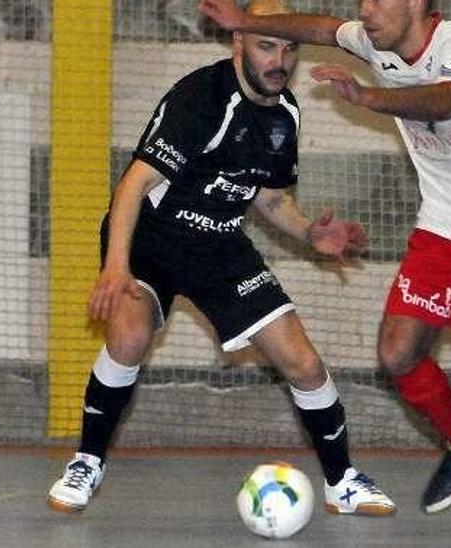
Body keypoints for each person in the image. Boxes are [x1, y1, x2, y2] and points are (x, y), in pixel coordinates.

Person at [199, 0, 451, 533]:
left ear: (415, 5)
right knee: (398, 353)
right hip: (444, 235)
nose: (365, 11)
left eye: (378, 1)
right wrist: (242, 22)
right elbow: (318, 27)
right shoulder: (373, 39)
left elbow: (447, 100)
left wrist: (366, 97)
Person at [47, 0, 395, 519]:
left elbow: (269, 197)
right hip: (153, 240)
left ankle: (341, 481)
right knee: (130, 334)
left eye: (288, 46)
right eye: (265, 45)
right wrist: (116, 268)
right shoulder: (200, 97)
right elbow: (134, 185)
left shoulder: (285, 117)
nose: (279, 59)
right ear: (238, 43)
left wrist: (308, 234)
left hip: (221, 247)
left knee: (302, 361)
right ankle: (86, 461)